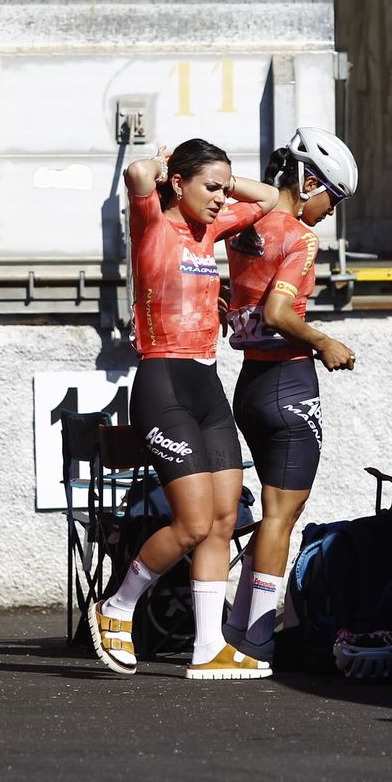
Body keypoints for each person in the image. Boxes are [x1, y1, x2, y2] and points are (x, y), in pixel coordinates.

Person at [88, 138, 282, 680]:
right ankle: (117, 607)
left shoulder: (209, 230)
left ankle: (208, 645)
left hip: (207, 383)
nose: (222, 199)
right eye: (211, 188)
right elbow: (135, 172)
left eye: (225, 189)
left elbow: (268, 199)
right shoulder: (153, 222)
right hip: (163, 381)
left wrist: (223, 180)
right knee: (193, 522)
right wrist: (163, 163)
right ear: (177, 185)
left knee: (223, 518)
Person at [220, 127, 360, 662]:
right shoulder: (300, 239)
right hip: (288, 383)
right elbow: (279, 315)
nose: (330, 211)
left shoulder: (246, 224)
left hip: (250, 385)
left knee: (274, 512)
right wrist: (324, 339)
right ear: (309, 181)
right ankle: (257, 638)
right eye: (333, 196)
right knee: (283, 514)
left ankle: (239, 627)